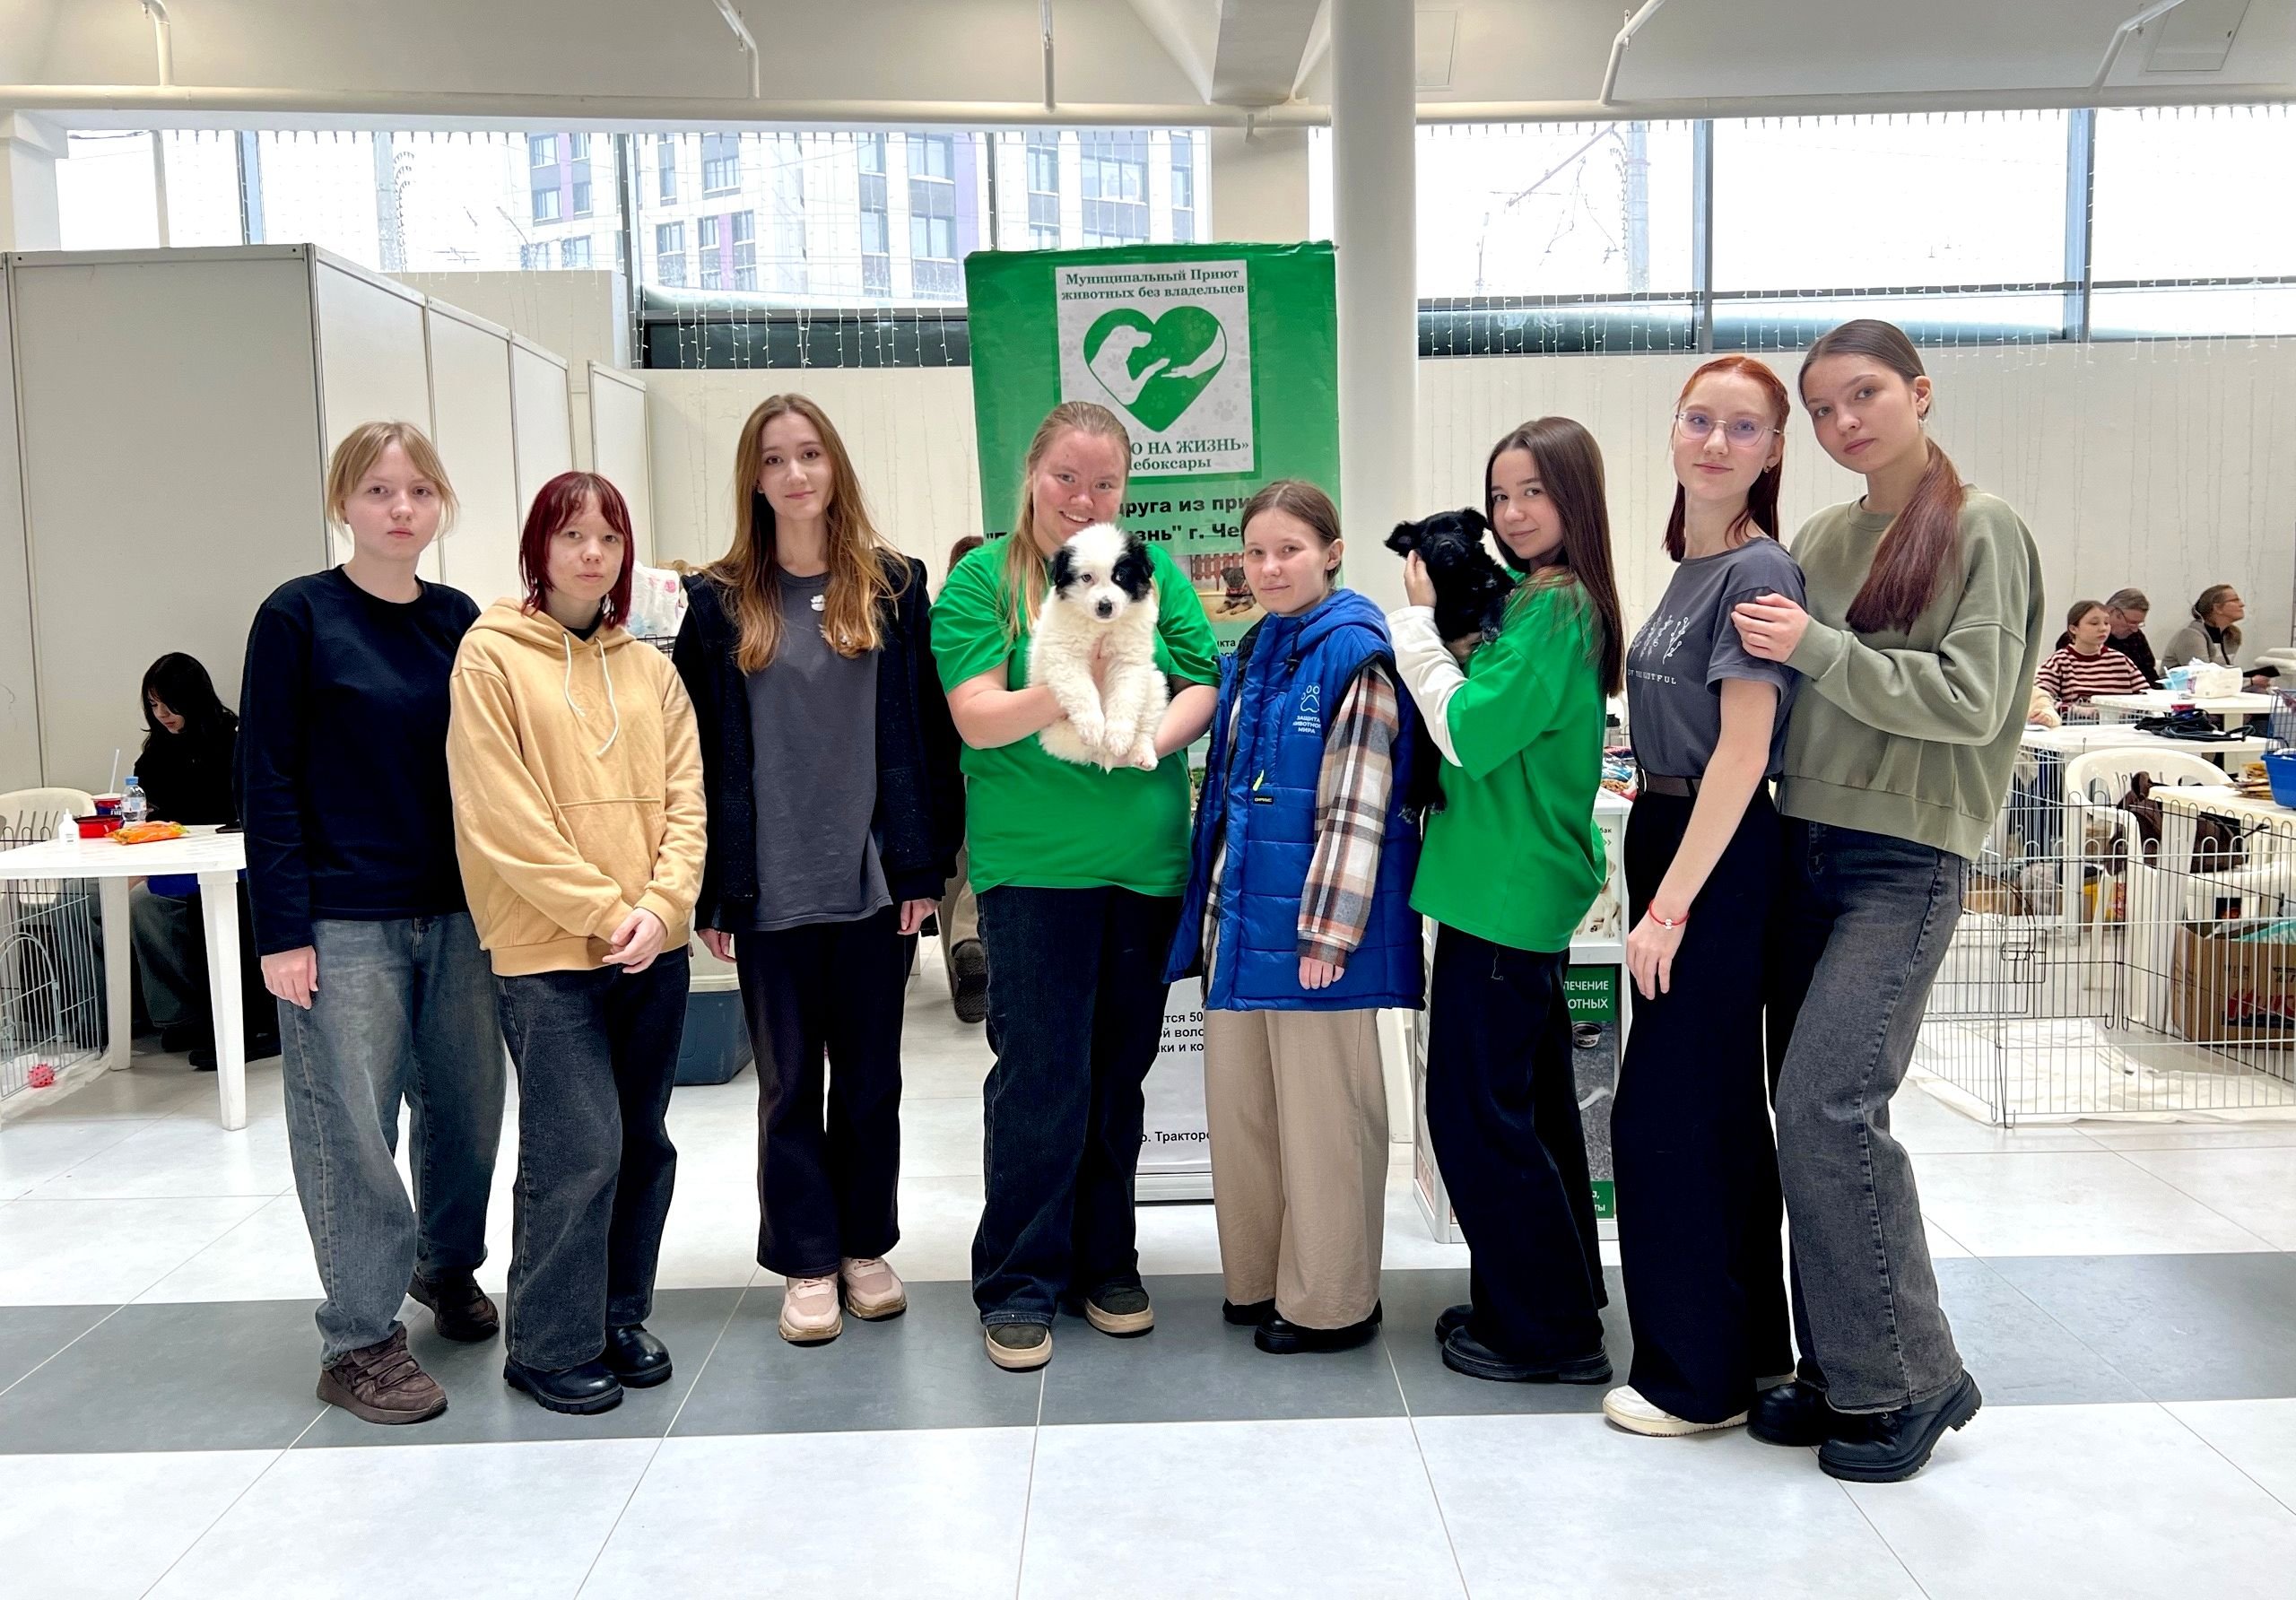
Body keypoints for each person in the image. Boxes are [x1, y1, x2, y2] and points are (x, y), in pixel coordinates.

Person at [1732, 318, 2044, 1482]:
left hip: (1905, 859)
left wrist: (1816, 647)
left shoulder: (1981, 527)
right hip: (1802, 846)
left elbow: (1973, 701)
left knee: (1829, 1104)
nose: (1841, 421)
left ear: (1920, 392)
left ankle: (1913, 1380)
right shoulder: (1822, 534)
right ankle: (1840, 1367)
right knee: (1803, 1112)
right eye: (1820, 408)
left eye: (1862, 394)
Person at [932, 400, 1218, 1371]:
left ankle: (1106, 1260)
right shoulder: (985, 580)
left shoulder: (1150, 568)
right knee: (1040, 1075)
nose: (1083, 499)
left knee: (1118, 1074)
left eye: (1104, 483)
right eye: (1066, 477)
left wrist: (1146, 741)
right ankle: (1019, 1277)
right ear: (1031, 473)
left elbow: (1201, 678)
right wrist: (1074, 682)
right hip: (1035, 868)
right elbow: (976, 716)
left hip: (1143, 864)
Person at [671, 395, 961, 1348]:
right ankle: (806, 1256)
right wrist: (712, 888)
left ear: (835, 466)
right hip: (768, 885)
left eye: (809, 454)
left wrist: (924, 865)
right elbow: (697, 754)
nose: (794, 474)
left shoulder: (894, 586)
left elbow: (925, 734)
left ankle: (864, 1246)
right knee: (790, 1085)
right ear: (753, 480)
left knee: (871, 1081)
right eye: (774, 459)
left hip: (873, 881)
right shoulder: (717, 601)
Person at [239, 421, 505, 1426]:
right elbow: (265, 778)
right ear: (342, 502)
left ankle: (446, 1264)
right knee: (351, 1127)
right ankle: (357, 1337)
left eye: (420, 491)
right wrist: (281, 929)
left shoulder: (458, 619)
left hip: (459, 910)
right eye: (379, 490)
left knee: (467, 1107)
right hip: (342, 917)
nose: (401, 509)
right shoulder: (297, 616)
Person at [448, 470, 705, 1414]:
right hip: (548, 951)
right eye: (571, 536)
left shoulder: (650, 669)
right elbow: (499, 815)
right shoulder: (489, 657)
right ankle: (549, 1343)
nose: (592, 554)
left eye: (608, 538)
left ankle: (617, 1315)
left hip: (650, 947)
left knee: (641, 1143)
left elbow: (688, 802)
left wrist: (662, 908)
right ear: (538, 549)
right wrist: (606, 911)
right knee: (578, 1148)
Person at [1389, 416, 1624, 1387]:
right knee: (1530, 1109)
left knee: (1476, 1114)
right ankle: (1542, 1297)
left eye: (1535, 491)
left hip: (1504, 890)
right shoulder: (1540, 601)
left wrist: (1413, 625)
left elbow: (1473, 731)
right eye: (1500, 494)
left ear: (1576, 498)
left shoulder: (1557, 607)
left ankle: (1546, 1333)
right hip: (1505, 884)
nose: (1514, 512)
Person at [1165, 479, 1421, 1356]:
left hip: (1315, 938)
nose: (1270, 567)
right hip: (1241, 929)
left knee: (1324, 1127)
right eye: (1256, 552)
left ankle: (1332, 1303)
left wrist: (1329, 933)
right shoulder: (1256, 647)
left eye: (1290, 550)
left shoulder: (1353, 651)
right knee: (1248, 1120)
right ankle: (1261, 1279)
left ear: (1331, 552)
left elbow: (1359, 803)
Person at [1607, 357, 1803, 1437]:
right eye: (1698, 420)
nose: (1715, 442)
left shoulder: (1758, 569)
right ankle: (1750, 1345)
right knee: (1716, 1103)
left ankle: (1694, 1379)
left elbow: (1741, 750)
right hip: (1668, 828)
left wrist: (1669, 906)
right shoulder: (1692, 562)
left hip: (1712, 850)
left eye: (1742, 427)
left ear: (1773, 449)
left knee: (1666, 1112)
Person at [128, 653, 272, 1069]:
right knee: (88, 897)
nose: (162, 714)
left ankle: (192, 1018)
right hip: (174, 859)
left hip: (224, 862)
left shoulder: (232, 739)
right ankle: (151, 1019)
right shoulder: (157, 750)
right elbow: (148, 811)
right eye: (153, 705)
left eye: (169, 703)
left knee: (147, 903)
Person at [937, 532, 991, 1023]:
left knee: (953, 872)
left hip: (940, 767)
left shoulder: (939, 621)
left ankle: (962, 980)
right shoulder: (1003, 622)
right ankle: (972, 944)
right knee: (982, 864)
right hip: (988, 760)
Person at [2036, 599, 2150, 713]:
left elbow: (2147, 698)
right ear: (2073, 629)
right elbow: (2039, 700)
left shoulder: (2121, 661)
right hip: (2077, 723)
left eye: (2106, 623)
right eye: (2094, 623)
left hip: (2123, 723)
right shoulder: (2059, 661)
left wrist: (2128, 711)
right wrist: (2079, 711)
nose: (2103, 628)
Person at [2050, 587, 2156, 686]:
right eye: (2131, 622)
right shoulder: (2075, 640)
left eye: (2139, 624)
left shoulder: (2135, 639)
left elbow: (2149, 676)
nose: (2135, 629)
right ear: (2111, 611)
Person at [2160, 584, 2245, 674]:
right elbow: (2202, 675)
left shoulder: (2231, 635)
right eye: (2235, 600)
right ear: (2217, 608)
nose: (2242, 604)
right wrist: (2250, 680)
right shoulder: (2190, 635)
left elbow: (2227, 673)